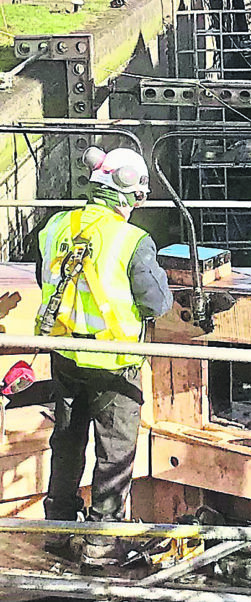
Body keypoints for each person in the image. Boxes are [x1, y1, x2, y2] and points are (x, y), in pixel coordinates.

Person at [36, 147, 172, 566]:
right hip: (114, 363)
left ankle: (58, 527)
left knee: (67, 440)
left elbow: (49, 277)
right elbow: (157, 303)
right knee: (115, 451)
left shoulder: (56, 225)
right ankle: (100, 539)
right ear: (128, 193)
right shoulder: (132, 240)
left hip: (65, 356)